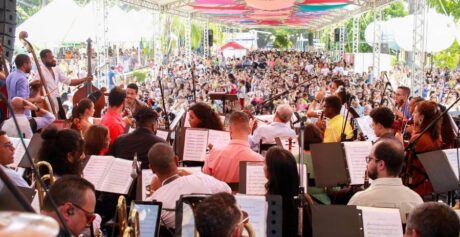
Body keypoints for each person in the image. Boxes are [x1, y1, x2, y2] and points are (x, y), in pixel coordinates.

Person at [146, 143, 230, 229]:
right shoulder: (202, 179)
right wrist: (194, 174)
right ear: (176, 160)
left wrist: (153, 194)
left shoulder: (153, 202)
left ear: (151, 168)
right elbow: (228, 190)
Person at [348, 139, 423, 223]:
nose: (367, 163)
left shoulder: (359, 200)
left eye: (369, 159)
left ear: (381, 165)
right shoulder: (417, 201)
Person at [203, 111, 264, 183]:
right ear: (249, 130)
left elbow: (205, 182)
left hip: (219, 194)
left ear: (230, 129)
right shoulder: (260, 160)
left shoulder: (213, 154)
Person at [264, 147, 312, 237]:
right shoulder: (304, 200)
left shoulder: (269, 203)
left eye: (265, 164)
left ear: (272, 172)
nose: (263, 167)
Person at [31, 49, 93, 119]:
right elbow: (34, 87)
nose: (53, 59)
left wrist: (85, 79)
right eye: (50, 58)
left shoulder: (56, 69)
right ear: (43, 59)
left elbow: (70, 82)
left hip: (57, 99)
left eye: (53, 57)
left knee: (62, 121)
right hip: (47, 103)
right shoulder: (40, 72)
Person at [404, 101, 443, 196]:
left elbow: (407, 162)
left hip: (415, 184)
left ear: (422, 117)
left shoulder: (418, 138)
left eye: (415, 112)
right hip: (428, 184)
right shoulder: (438, 137)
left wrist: (400, 144)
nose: (413, 114)